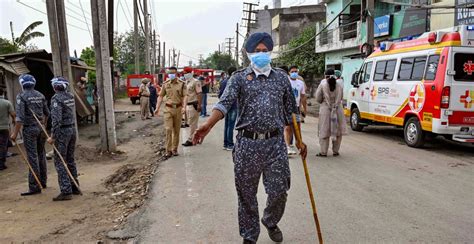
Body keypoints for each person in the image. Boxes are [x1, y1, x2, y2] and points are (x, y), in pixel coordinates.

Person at [193, 32, 307, 244]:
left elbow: (292, 112)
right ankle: (249, 235)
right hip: (247, 144)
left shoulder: (281, 78)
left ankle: (270, 220)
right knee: (246, 195)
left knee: (279, 191)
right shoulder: (238, 78)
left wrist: (299, 141)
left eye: (265, 51)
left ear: (270, 53)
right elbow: (224, 104)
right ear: (249, 53)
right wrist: (208, 125)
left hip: (275, 145)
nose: (261, 55)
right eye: (257, 51)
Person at [10, 74, 49, 196]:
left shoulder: (21, 96)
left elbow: (19, 118)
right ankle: (43, 181)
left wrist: (15, 134)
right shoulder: (40, 95)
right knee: (41, 154)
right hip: (40, 128)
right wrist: (44, 125)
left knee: (33, 157)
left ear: (22, 84)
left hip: (29, 130)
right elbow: (47, 113)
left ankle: (34, 186)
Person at [47, 77, 79, 201]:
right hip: (72, 130)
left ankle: (66, 191)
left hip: (62, 132)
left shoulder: (56, 98)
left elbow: (56, 120)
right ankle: (74, 186)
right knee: (70, 159)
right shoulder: (70, 96)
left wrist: (53, 137)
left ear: (55, 87)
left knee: (60, 161)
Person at [155, 67, 187, 157]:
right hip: (168, 109)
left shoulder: (182, 84)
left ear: (176, 74)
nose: (171, 74)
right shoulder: (165, 84)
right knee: (168, 129)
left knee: (176, 131)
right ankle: (168, 150)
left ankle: (174, 149)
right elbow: (160, 96)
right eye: (169, 73)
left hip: (178, 109)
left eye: (173, 73)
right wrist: (157, 108)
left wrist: (184, 107)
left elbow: (185, 96)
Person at [315, 69, 347, 157]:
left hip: (326, 109)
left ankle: (323, 152)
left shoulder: (323, 84)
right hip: (337, 109)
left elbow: (318, 98)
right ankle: (335, 151)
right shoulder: (340, 84)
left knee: (324, 130)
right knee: (337, 130)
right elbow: (341, 97)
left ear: (325, 75)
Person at [285, 66, 307, 156]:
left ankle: (299, 145)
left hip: (296, 108)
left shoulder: (300, 83)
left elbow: (303, 96)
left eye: (296, 71)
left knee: (297, 128)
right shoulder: (286, 82)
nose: (294, 73)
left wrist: (304, 108)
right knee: (287, 128)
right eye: (292, 71)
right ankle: (287, 146)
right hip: (287, 108)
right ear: (289, 73)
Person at [218, 66, 238, 151]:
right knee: (231, 125)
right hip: (233, 106)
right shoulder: (235, 81)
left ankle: (225, 143)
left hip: (225, 107)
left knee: (227, 125)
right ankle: (230, 144)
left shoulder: (223, 81)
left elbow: (220, 94)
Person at [182, 67, 202, 147]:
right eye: (184, 73)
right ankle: (196, 138)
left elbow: (199, 94)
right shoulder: (186, 82)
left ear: (190, 73)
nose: (184, 75)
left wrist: (199, 105)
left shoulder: (196, 82)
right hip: (187, 105)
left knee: (193, 124)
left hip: (194, 104)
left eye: (185, 73)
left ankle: (191, 139)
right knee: (190, 123)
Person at [0, 87, 16, 170]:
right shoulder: (7, 103)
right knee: (3, 145)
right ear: (3, 93)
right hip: (4, 127)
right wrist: (13, 120)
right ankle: (1, 163)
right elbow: (13, 114)